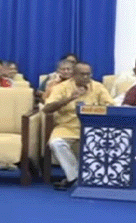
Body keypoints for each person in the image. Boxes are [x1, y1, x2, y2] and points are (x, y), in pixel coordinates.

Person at [43, 62, 115, 190]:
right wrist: (70, 98)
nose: (86, 77)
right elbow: (47, 109)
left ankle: (98, 178)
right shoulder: (62, 88)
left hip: (93, 127)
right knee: (56, 143)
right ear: (74, 75)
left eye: (88, 74)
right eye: (82, 74)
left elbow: (112, 107)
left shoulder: (98, 87)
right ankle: (76, 176)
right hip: (67, 127)